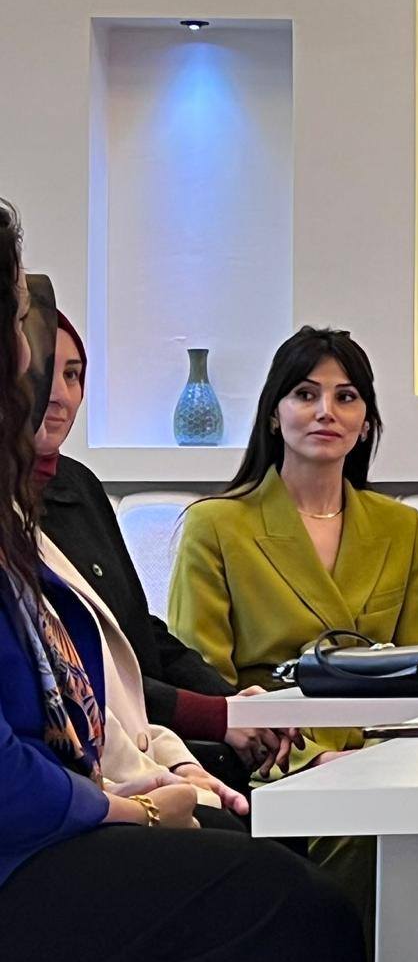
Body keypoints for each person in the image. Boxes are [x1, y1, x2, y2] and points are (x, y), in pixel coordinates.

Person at [0, 198, 378, 962]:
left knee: (276, 906)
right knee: (290, 909)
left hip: (68, 820)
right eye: (21, 326)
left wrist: (163, 765)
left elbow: (123, 668)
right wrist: (134, 805)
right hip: (25, 863)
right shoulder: (201, 523)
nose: (39, 368)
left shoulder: (48, 507)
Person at [167, 325, 418, 931]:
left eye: (346, 396)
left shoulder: (401, 526)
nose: (326, 410)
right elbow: (204, 681)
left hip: (380, 756)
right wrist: (313, 759)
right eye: (305, 393)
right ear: (274, 415)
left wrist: (378, 761)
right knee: (365, 828)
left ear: (366, 423)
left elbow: (417, 680)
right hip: (271, 763)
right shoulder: (216, 525)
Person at [33, 311, 295, 784]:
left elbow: (141, 633)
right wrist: (216, 715)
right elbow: (78, 674)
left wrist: (231, 702)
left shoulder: (79, 485)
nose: (60, 395)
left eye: (72, 375)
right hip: (81, 764)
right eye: (43, 373)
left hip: (153, 739)